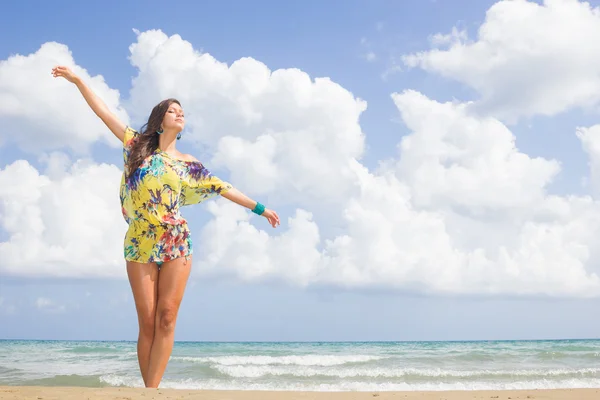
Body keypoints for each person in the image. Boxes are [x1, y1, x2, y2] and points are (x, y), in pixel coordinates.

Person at [51, 65, 280, 388]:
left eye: (182, 112)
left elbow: (222, 186)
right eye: (173, 110)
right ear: (160, 120)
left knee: (167, 317)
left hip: (175, 241)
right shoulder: (136, 145)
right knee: (147, 323)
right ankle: (150, 390)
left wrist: (260, 208)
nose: (179, 114)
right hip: (139, 242)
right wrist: (78, 82)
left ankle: (151, 392)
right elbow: (103, 113)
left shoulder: (188, 164)